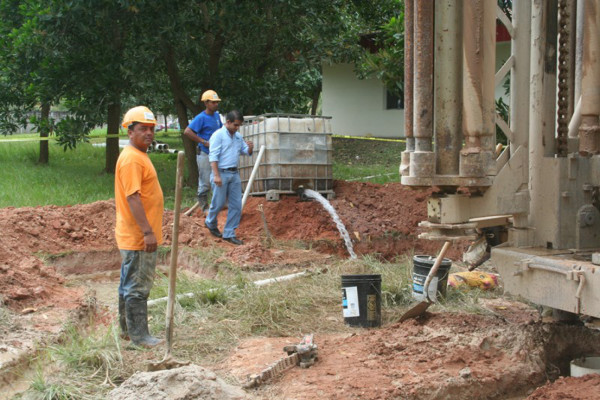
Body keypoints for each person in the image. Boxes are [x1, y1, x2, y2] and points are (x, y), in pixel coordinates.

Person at [114, 106, 164, 348]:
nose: (148, 133)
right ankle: (139, 337)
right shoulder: (132, 159)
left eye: (151, 129)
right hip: (138, 237)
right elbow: (133, 197)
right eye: (143, 129)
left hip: (133, 235)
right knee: (137, 287)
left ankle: (126, 331)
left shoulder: (137, 155)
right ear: (130, 131)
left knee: (127, 284)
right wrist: (147, 232)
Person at [204, 110, 253, 245]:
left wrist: (249, 148)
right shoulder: (218, 135)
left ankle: (229, 233)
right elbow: (213, 156)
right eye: (235, 125)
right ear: (228, 122)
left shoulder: (237, 137)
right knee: (219, 203)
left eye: (239, 126)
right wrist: (216, 175)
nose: (237, 128)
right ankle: (210, 221)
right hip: (221, 172)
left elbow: (245, 151)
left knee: (236, 205)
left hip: (234, 174)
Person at [183, 90, 223, 213]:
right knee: (205, 180)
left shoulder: (217, 116)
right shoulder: (201, 117)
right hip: (205, 153)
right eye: (213, 102)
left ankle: (218, 204)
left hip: (216, 154)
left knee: (217, 179)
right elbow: (187, 131)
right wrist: (203, 141)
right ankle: (204, 206)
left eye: (217, 102)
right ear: (206, 103)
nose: (216, 104)